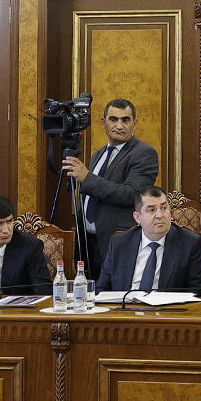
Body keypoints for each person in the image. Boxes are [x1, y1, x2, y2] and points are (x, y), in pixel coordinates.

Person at [61, 99, 158, 278]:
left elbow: (131, 194)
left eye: (125, 120)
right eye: (113, 119)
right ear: (103, 122)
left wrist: (87, 178)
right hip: (88, 243)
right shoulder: (98, 155)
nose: (119, 126)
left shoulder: (144, 153)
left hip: (117, 241)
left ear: (135, 123)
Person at [95, 186, 201, 294]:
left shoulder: (189, 243)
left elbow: (196, 291)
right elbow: (101, 289)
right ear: (137, 217)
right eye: (151, 210)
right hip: (125, 306)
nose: (160, 215)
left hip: (167, 307)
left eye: (164, 208)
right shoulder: (119, 243)